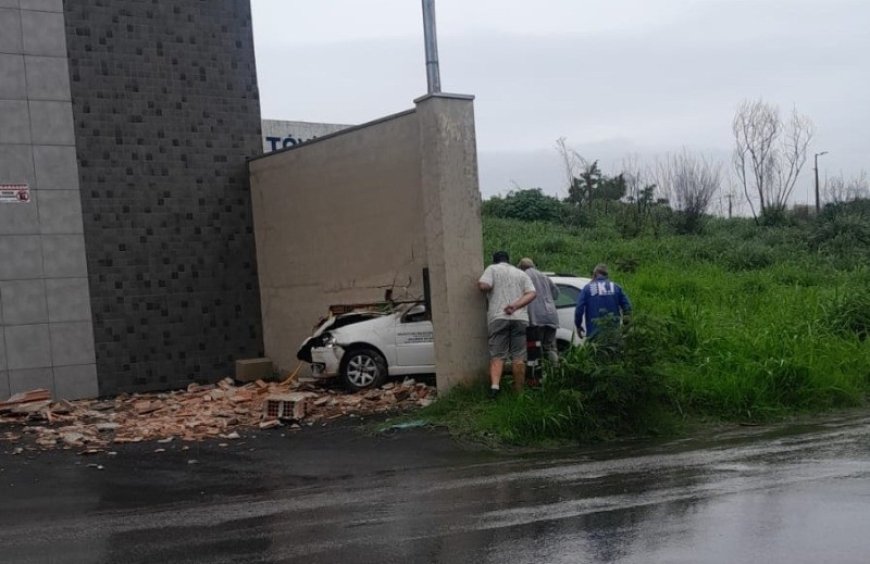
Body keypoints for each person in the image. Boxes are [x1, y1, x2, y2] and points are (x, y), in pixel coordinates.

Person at [478, 250, 537, 397]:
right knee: (519, 357)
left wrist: (485, 286)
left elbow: (484, 285)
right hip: (520, 319)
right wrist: (515, 306)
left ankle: (495, 387)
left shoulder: (492, 269)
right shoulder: (521, 273)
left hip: (499, 317)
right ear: (508, 260)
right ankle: (519, 392)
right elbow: (532, 293)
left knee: (497, 355)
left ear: (495, 260)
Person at [518, 258, 560, 364]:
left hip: (536, 317)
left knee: (535, 347)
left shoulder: (523, 275)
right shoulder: (544, 276)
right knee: (549, 347)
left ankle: (538, 373)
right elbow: (556, 294)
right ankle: (555, 371)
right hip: (551, 316)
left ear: (521, 267)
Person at [574, 263, 631, 339]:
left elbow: (579, 309)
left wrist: (578, 325)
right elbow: (627, 306)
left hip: (594, 333)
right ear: (606, 275)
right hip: (613, 333)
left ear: (595, 274)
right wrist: (626, 323)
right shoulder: (616, 287)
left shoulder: (587, 288)